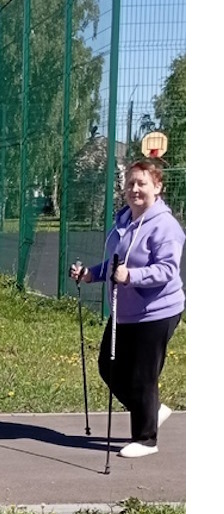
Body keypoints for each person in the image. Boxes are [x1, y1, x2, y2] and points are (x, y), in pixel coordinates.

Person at [70, 157, 184, 459]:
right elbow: (116, 264)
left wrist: (132, 276)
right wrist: (91, 274)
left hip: (158, 311)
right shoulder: (123, 221)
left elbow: (167, 270)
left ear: (157, 186)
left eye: (142, 183)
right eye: (130, 183)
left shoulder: (165, 226)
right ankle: (151, 410)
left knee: (143, 375)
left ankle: (146, 439)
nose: (134, 189)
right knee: (109, 367)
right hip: (125, 311)